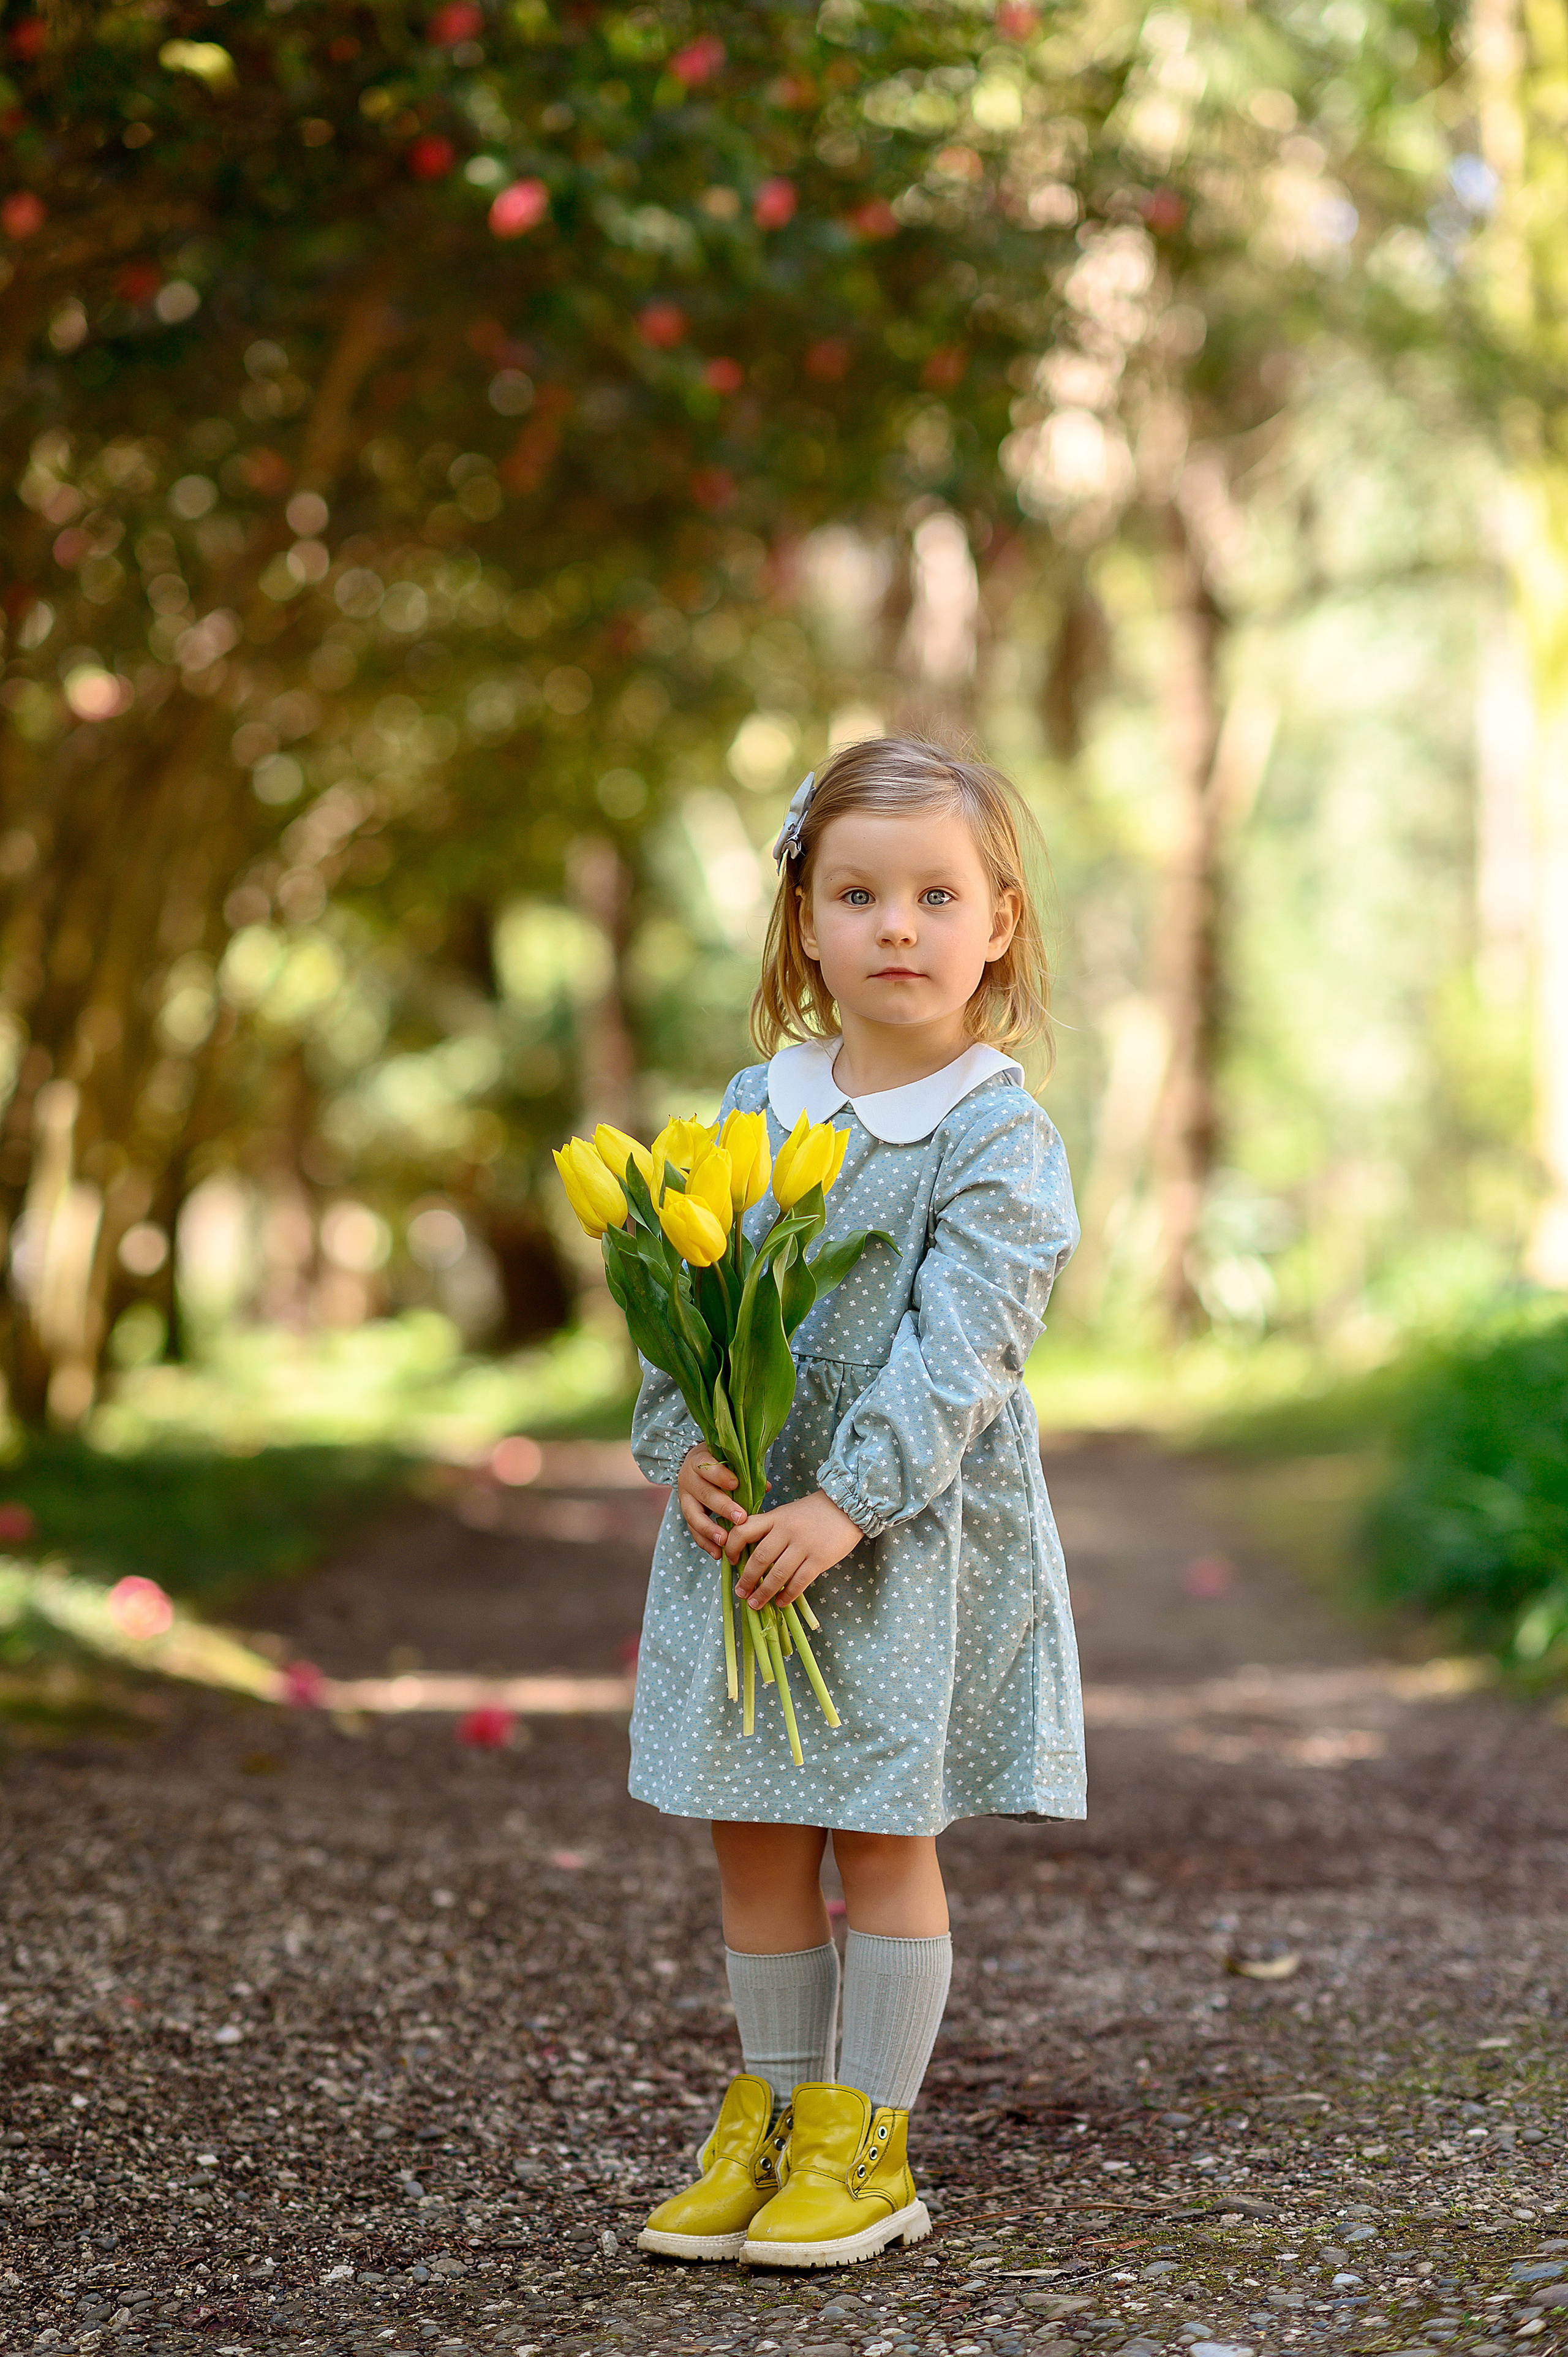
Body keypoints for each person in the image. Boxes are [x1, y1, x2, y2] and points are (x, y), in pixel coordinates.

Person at [627, 735, 1084, 2270]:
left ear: (996, 923)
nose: (898, 925)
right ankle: (768, 2107)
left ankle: (863, 2138)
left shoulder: (993, 1129)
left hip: (893, 1535)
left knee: (874, 1826)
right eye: (859, 894)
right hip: (747, 1527)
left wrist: (851, 1498)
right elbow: (686, 1291)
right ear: (804, 923)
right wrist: (680, 1442)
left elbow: (965, 1352)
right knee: (753, 1826)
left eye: (934, 894)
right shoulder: (761, 1099)